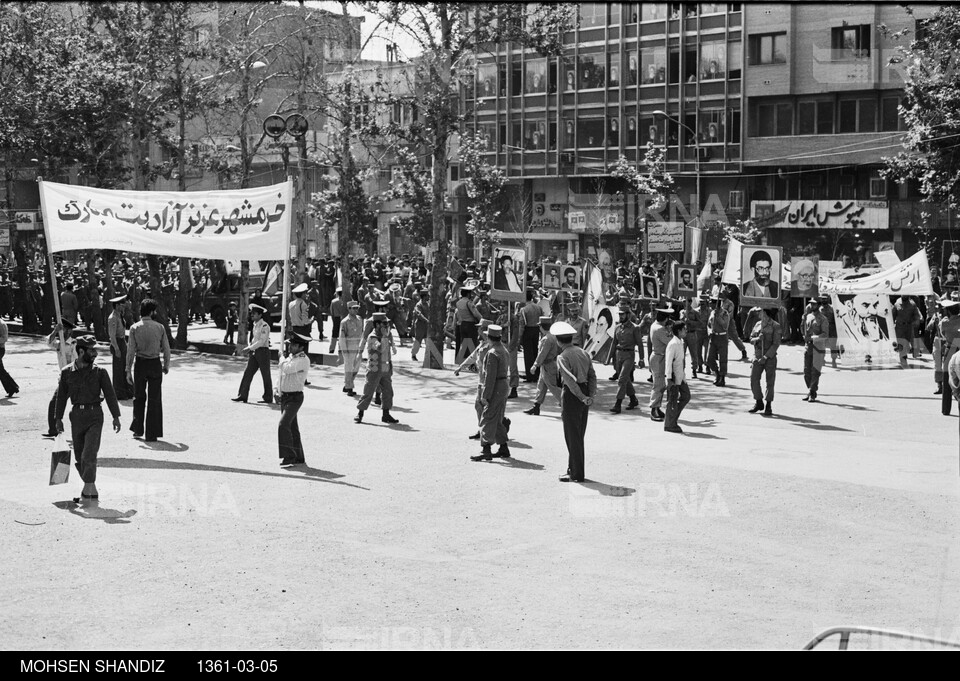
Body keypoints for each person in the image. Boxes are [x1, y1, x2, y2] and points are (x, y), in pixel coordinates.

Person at [54, 335, 122, 504]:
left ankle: (90, 487)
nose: (95, 353)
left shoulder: (100, 372)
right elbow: (61, 397)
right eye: (91, 350)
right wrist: (58, 418)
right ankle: (88, 486)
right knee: (79, 455)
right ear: (81, 351)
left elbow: (110, 395)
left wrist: (116, 416)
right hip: (76, 416)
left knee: (89, 453)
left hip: (95, 416)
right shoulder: (67, 373)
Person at [553, 321, 596, 483]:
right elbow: (592, 375)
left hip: (572, 396)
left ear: (558, 341)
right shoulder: (583, 353)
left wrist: (581, 397)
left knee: (572, 436)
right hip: (584, 392)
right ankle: (572, 469)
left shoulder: (562, 357)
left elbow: (570, 381)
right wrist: (590, 395)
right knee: (579, 434)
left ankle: (576, 473)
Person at [126, 298, 170, 442]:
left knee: (138, 397)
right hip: (155, 363)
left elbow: (130, 351)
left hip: (140, 364)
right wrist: (166, 365)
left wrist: (128, 370)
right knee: (154, 399)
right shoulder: (160, 327)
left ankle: (138, 430)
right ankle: (152, 433)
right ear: (151, 312)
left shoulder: (134, 328)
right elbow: (167, 349)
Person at [470, 324, 512, 461]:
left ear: (489, 337)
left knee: (487, 416)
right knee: (497, 418)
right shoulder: (503, 350)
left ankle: (486, 449)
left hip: (496, 387)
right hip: (503, 385)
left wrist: (485, 395)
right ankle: (503, 447)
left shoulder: (492, 353)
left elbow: (490, 377)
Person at [355, 312, 399, 424]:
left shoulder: (386, 334)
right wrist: (384, 336)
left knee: (388, 392)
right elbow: (380, 348)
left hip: (385, 369)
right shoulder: (373, 337)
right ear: (377, 325)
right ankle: (360, 413)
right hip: (374, 369)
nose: (387, 326)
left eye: (387, 323)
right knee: (368, 391)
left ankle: (386, 414)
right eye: (384, 323)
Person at [278, 332, 311, 468]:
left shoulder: (302, 359)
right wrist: (277, 389)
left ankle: (289, 455)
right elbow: (281, 375)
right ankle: (298, 456)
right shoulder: (291, 357)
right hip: (286, 395)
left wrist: (281, 358)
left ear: (300, 347)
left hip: (295, 397)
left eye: (293, 345)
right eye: (290, 344)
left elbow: (287, 369)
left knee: (283, 424)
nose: (290, 347)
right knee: (292, 427)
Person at [232, 303, 273, 404]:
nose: (252, 315)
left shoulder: (264, 326)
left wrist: (249, 348)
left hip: (262, 351)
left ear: (260, 315)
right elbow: (254, 340)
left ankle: (268, 397)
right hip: (255, 351)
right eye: (252, 313)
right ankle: (243, 395)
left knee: (265, 375)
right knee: (248, 373)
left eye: (254, 314)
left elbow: (262, 341)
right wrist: (251, 348)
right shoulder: (255, 325)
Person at [524, 316, 562, 416]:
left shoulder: (547, 339)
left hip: (548, 365)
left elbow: (542, 354)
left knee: (552, 387)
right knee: (541, 386)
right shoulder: (552, 336)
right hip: (548, 364)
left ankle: (566, 404)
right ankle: (536, 406)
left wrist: (535, 365)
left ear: (541, 327)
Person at [748, 308, 781, 415]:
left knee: (770, 382)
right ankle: (758, 402)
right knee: (754, 379)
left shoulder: (775, 326)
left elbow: (776, 344)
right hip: (757, 356)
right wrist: (757, 339)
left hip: (769, 357)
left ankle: (768, 405)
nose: (758, 313)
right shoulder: (758, 324)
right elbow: (750, 339)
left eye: (760, 311)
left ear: (765, 313)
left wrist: (765, 357)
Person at [609, 304, 642, 414]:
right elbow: (614, 343)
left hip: (629, 355)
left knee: (622, 379)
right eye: (620, 315)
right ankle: (633, 399)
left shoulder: (635, 328)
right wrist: (609, 357)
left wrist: (642, 359)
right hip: (619, 354)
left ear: (628, 315)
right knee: (625, 379)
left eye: (623, 315)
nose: (621, 317)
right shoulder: (618, 327)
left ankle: (618, 404)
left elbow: (640, 344)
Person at [663, 322, 690, 433]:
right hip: (673, 377)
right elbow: (668, 362)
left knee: (686, 396)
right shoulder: (673, 344)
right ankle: (669, 424)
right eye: (684, 329)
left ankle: (672, 418)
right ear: (679, 331)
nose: (686, 331)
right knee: (672, 401)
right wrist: (668, 379)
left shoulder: (681, 343)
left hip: (680, 376)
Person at [648, 304, 674, 421]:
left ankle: (657, 407)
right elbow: (670, 341)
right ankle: (654, 408)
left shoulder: (655, 325)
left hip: (659, 357)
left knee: (661, 384)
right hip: (659, 358)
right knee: (658, 385)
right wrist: (671, 330)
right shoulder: (659, 329)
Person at [802, 298, 830, 403]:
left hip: (818, 346)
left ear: (818, 305)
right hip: (808, 346)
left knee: (815, 371)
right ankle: (810, 390)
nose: (811, 306)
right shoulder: (808, 316)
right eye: (810, 304)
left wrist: (814, 337)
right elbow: (804, 330)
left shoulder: (823, 319)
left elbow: (825, 334)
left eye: (814, 304)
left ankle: (812, 392)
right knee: (806, 371)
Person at [107, 294, 133, 401]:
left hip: (122, 342)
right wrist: (117, 349)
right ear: (117, 306)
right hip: (117, 343)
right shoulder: (113, 318)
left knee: (124, 367)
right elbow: (112, 335)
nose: (123, 306)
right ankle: (119, 392)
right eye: (121, 304)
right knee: (118, 369)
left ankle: (128, 390)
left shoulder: (119, 315)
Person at [939, 299, 960, 415]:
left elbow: (942, 335)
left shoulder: (944, 323)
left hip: (950, 351)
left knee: (947, 380)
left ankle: (946, 409)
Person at [339, 300, 363, 396]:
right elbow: (342, 337)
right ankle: (349, 388)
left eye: (357, 308)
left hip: (358, 345)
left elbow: (362, 333)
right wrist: (344, 350)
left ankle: (347, 384)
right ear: (349, 309)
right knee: (349, 368)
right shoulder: (344, 322)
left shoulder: (360, 319)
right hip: (349, 346)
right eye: (354, 308)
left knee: (356, 367)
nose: (356, 310)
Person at [706, 295, 731, 386]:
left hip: (722, 337)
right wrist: (709, 331)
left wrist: (718, 317)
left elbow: (725, 326)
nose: (710, 304)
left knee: (723, 359)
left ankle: (722, 378)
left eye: (711, 303)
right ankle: (717, 374)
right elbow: (709, 324)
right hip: (713, 337)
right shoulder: (712, 312)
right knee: (710, 359)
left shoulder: (725, 313)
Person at [455, 285, 482, 364]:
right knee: (473, 344)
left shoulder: (458, 303)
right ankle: (472, 364)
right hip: (470, 325)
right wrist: (482, 320)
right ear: (468, 294)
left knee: (464, 344)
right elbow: (476, 314)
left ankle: (461, 361)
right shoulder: (469, 303)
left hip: (463, 324)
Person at [893, 295, 922, 366]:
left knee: (907, 342)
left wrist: (916, 321)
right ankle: (903, 358)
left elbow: (916, 314)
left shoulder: (912, 304)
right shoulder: (897, 303)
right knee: (901, 342)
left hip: (909, 326)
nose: (904, 295)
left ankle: (906, 354)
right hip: (899, 326)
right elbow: (892, 315)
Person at [520, 290, 542, 381]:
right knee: (535, 351)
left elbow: (522, 324)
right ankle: (536, 374)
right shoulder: (538, 307)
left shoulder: (524, 309)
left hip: (528, 330)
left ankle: (530, 375)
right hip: (536, 329)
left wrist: (519, 336)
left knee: (528, 353)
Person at [681, 297, 705, 378]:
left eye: (686, 301)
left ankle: (694, 370)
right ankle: (681, 370)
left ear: (690, 302)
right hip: (683, 335)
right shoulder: (682, 312)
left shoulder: (695, 312)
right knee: (681, 354)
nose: (684, 303)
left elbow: (700, 323)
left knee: (694, 353)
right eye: (683, 302)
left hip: (692, 334)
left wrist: (690, 322)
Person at [289, 282, 312, 353]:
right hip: (302, 330)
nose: (306, 295)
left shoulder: (291, 304)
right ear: (302, 294)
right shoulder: (303, 304)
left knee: (295, 349)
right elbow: (305, 321)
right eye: (305, 293)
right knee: (303, 349)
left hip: (294, 329)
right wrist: (311, 320)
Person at [0, 314, 18, 398]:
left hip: (0, 349)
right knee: (1, 371)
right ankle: (12, 388)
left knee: (1, 370)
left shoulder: (2, 324)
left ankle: (12, 388)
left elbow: (4, 338)